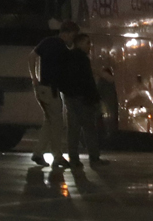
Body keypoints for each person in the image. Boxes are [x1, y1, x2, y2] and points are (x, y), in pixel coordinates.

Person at [28, 20, 79, 168]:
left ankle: (38, 153)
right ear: (67, 33)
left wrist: (34, 79)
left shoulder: (47, 41)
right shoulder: (62, 49)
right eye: (73, 36)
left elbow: (31, 57)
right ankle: (57, 156)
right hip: (52, 90)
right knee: (56, 124)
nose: (72, 39)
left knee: (50, 121)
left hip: (42, 88)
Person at [63, 33, 109, 169]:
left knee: (73, 129)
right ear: (80, 43)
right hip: (82, 99)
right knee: (89, 129)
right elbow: (87, 82)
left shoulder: (68, 57)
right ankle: (94, 158)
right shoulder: (83, 59)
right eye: (87, 43)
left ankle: (74, 158)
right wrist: (95, 99)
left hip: (70, 97)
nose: (90, 46)